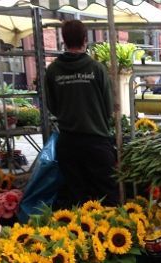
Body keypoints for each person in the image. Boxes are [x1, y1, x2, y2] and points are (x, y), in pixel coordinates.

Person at [45, 20, 119, 208]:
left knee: (76, 196)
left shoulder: (53, 71)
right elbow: (109, 107)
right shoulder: (97, 68)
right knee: (107, 195)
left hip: (68, 143)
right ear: (85, 39)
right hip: (97, 142)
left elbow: (52, 106)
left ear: (64, 40)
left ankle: (81, 235)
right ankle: (106, 233)